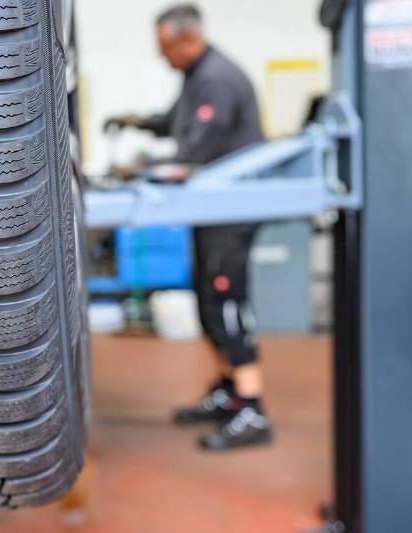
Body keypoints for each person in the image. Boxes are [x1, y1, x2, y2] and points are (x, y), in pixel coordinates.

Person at [106, 4, 272, 450]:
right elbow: (175, 124)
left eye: (166, 49)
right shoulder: (197, 77)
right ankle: (229, 391)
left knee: (226, 300)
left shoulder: (217, 79)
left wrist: (137, 168)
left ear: (188, 39)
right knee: (208, 297)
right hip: (211, 210)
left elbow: (194, 152)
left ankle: (253, 410)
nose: (163, 58)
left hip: (230, 213)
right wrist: (137, 121)